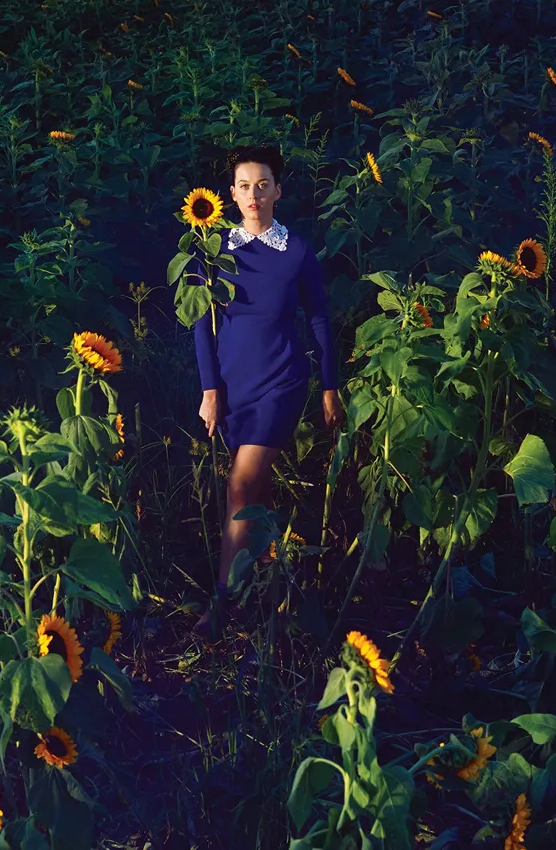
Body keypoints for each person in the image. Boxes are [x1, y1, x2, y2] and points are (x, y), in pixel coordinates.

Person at [191, 144, 345, 637]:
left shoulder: (296, 251)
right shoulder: (211, 250)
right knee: (253, 494)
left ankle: (221, 605)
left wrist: (329, 385)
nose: (253, 194)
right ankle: (272, 593)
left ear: (278, 190)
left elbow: (318, 318)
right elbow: (200, 325)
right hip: (233, 388)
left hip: (281, 382)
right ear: (230, 194)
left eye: (263, 184)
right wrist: (210, 390)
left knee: (239, 485)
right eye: (243, 185)